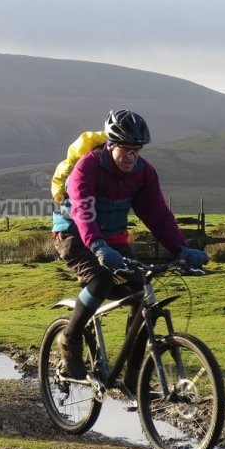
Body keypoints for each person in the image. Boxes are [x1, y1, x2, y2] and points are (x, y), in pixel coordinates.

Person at [51, 109, 208, 382]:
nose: (131, 156)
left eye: (136, 150)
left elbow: (157, 215)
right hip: (75, 234)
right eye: (125, 149)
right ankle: (70, 340)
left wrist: (181, 248)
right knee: (99, 282)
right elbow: (84, 211)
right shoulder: (86, 169)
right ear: (110, 145)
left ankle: (133, 373)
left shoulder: (143, 173)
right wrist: (97, 246)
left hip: (112, 238)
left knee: (140, 291)